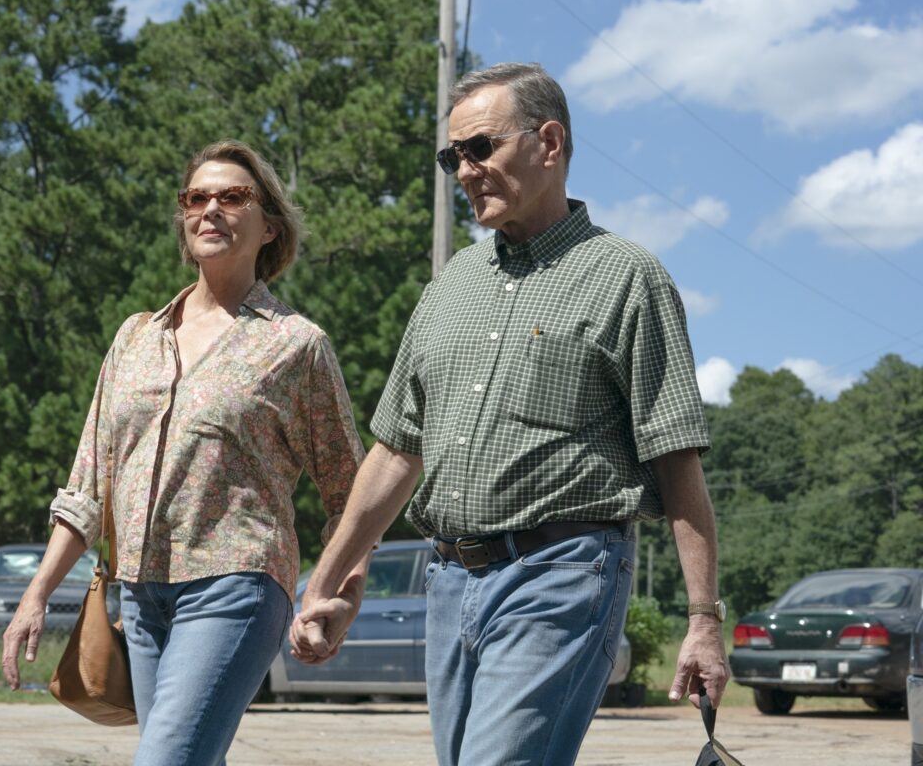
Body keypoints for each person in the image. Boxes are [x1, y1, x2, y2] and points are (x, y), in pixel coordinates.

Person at [292, 62, 730, 766]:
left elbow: (677, 459)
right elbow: (398, 452)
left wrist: (703, 620)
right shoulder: (451, 285)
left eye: (480, 148)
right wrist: (328, 584)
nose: (464, 171)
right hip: (448, 581)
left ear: (549, 142)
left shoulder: (627, 277)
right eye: (452, 156)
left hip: (562, 571)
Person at [1, 140, 367, 766]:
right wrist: (36, 593)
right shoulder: (137, 337)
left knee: (166, 759)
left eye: (233, 196)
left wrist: (337, 598)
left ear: (270, 225)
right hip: (140, 596)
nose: (211, 209)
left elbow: (352, 494)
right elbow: (89, 483)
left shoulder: (296, 346)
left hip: (237, 586)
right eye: (196, 198)